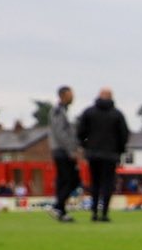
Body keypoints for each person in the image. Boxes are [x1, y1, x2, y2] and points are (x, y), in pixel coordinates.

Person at [75, 87, 129, 221]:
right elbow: (124, 134)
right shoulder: (117, 114)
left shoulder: (89, 113)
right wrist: (120, 150)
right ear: (111, 97)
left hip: (93, 154)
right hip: (111, 155)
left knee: (95, 183)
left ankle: (94, 212)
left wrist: (86, 146)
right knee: (107, 184)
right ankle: (104, 213)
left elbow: (81, 132)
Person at [48, 85, 80, 222]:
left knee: (64, 181)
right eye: (70, 94)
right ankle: (57, 206)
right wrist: (71, 150)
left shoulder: (63, 111)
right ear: (63, 95)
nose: (73, 97)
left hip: (62, 150)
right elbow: (60, 133)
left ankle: (60, 210)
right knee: (71, 180)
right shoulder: (58, 111)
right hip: (62, 151)